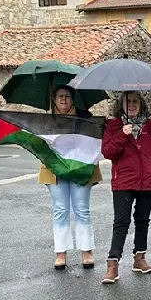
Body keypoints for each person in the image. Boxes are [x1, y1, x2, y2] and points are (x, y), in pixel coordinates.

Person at [100, 92, 151, 283]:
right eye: (128, 101)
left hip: (147, 180)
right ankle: (113, 264)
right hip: (124, 180)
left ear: (141, 104)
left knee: (142, 220)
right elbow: (108, 152)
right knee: (121, 222)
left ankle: (140, 258)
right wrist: (122, 134)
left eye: (135, 102)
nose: (132, 105)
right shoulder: (114, 125)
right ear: (122, 104)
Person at [43, 85, 101, 271]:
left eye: (67, 96)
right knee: (60, 210)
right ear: (54, 99)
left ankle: (86, 251)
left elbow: (95, 139)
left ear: (73, 99)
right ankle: (61, 252)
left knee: (82, 209)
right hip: (55, 169)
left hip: (81, 168)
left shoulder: (86, 118)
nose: (63, 99)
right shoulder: (45, 121)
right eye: (60, 96)